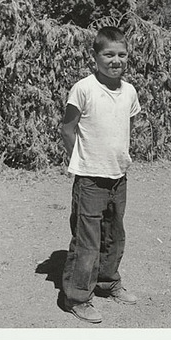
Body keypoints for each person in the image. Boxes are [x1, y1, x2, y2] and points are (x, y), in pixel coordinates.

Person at [59, 26, 141, 324]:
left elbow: (125, 127)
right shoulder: (84, 88)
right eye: (108, 54)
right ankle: (77, 297)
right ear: (95, 56)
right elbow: (68, 129)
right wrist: (81, 160)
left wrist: (119, 158)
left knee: (114, 235)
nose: (115, 60)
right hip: (90, 178)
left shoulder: (129, 91)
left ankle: (107, 282)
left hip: (118, 175)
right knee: (87, 240)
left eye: (122, 54)